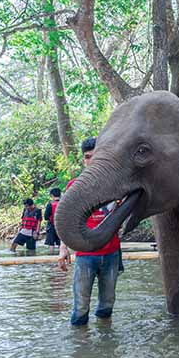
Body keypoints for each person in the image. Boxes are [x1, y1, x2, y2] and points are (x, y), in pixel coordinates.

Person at [58, 137, 123, 326]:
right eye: (87, 157)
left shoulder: (117, 185)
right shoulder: (74, 186)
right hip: (85, 256)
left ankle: (106, 343)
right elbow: (65, 220)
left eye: (95, 156)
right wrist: (63, 248)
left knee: (107, 304)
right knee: (80, 308)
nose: (91, 161)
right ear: (83, 160)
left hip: (111, 254)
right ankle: (81, 348)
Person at [43, 187, 61, 254]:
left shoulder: (50, 204)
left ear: (52, 195)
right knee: (60, 244)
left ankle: (51, 260)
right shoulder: (64, 203)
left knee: (51, 244)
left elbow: (46, 217)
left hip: (51, 226)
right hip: (61, 227)